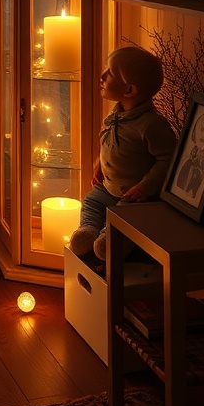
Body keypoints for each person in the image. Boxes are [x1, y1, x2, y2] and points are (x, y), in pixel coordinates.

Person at [69, 45, 176, 261]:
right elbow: (111, 142)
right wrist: (100, 163)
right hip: (108, 188)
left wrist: (145, 186)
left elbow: (168, 158)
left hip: (133, 198)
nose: (102, 76)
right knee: (92, 202)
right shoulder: (118, 112)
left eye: (109, 73)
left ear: (129, 90)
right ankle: (87, 232)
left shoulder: (151, 125)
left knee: (125, 219)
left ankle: (110, 243)